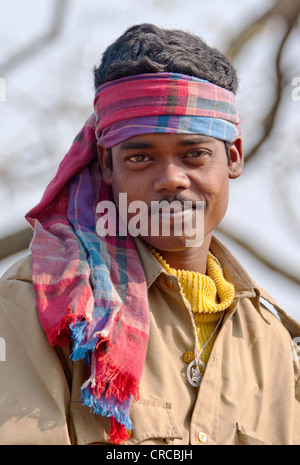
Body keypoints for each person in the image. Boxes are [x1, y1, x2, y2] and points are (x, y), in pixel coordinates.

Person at [0, 23, 299, 446]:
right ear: (107, 164)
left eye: (194, 154)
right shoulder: (45, 303)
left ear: (232, 157)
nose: (172, 179)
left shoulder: (273, 346)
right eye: (140, 157)